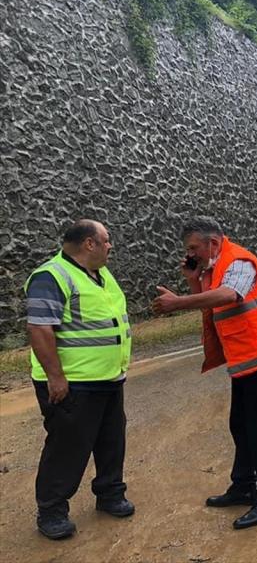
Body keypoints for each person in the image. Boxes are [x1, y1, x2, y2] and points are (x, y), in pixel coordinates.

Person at [151, 217, 257, 530]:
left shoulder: (239, 262)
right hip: (244, 360)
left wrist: (177, 303)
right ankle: (243, 486)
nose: (191, 254)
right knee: (240, 425)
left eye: (193, 248)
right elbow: (212, 304)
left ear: (212, 242)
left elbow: (229, 296)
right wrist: (192, 279)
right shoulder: (215, 266)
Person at [25, 219, 134, 540]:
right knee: (67, 447)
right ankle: (52, 510)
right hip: (72, 384)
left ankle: (110, 493)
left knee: (111, 441)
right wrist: (55, 378)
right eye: (106, 239)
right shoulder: (51, 276)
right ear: (89, 243)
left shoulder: (100, 274)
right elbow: (40, 328)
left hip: (108, 379)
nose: (110, 245)